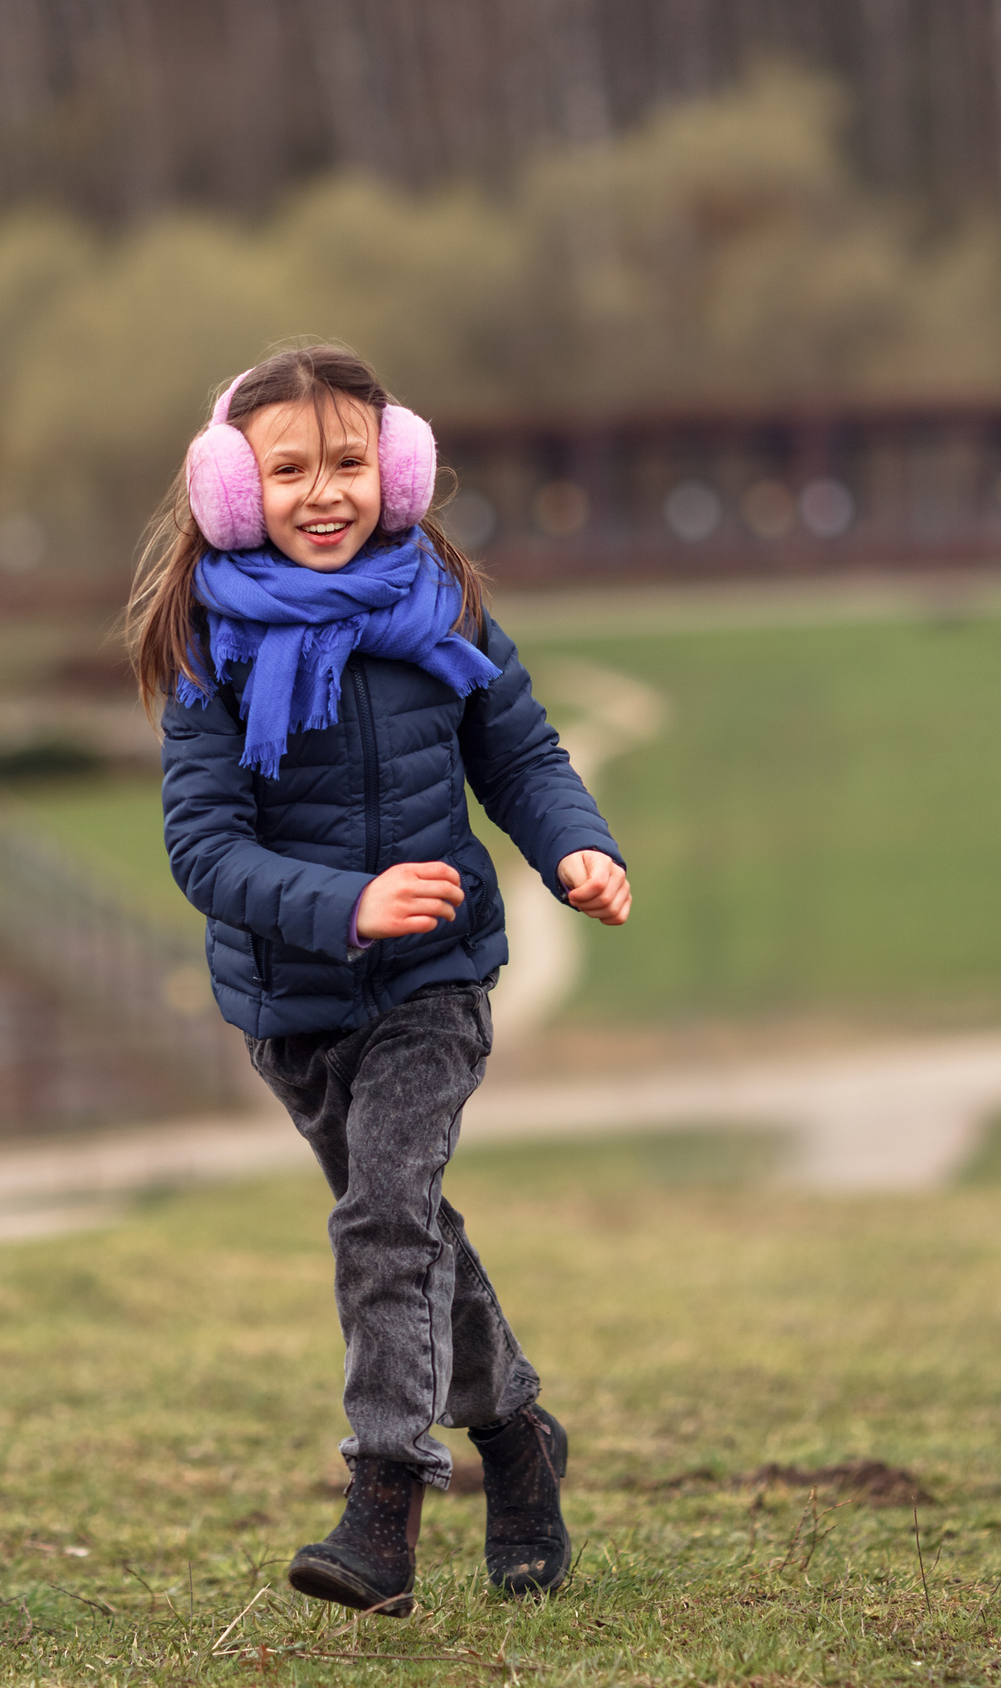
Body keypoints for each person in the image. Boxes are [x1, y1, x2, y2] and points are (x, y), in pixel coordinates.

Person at [128, 345, 629, 1614]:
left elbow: (521, 753)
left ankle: (384, 1506)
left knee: (383, 1224)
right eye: (286, 469)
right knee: (410, 1232)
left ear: (395, 469)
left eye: (348, 461)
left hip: (433, 985)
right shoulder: (212, 653)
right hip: (293, 1010)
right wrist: (342, 904)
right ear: (230, 493)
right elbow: (204, 848)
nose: (323, 492)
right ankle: (517, 1438)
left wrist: (575, 844)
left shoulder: (441, 614)